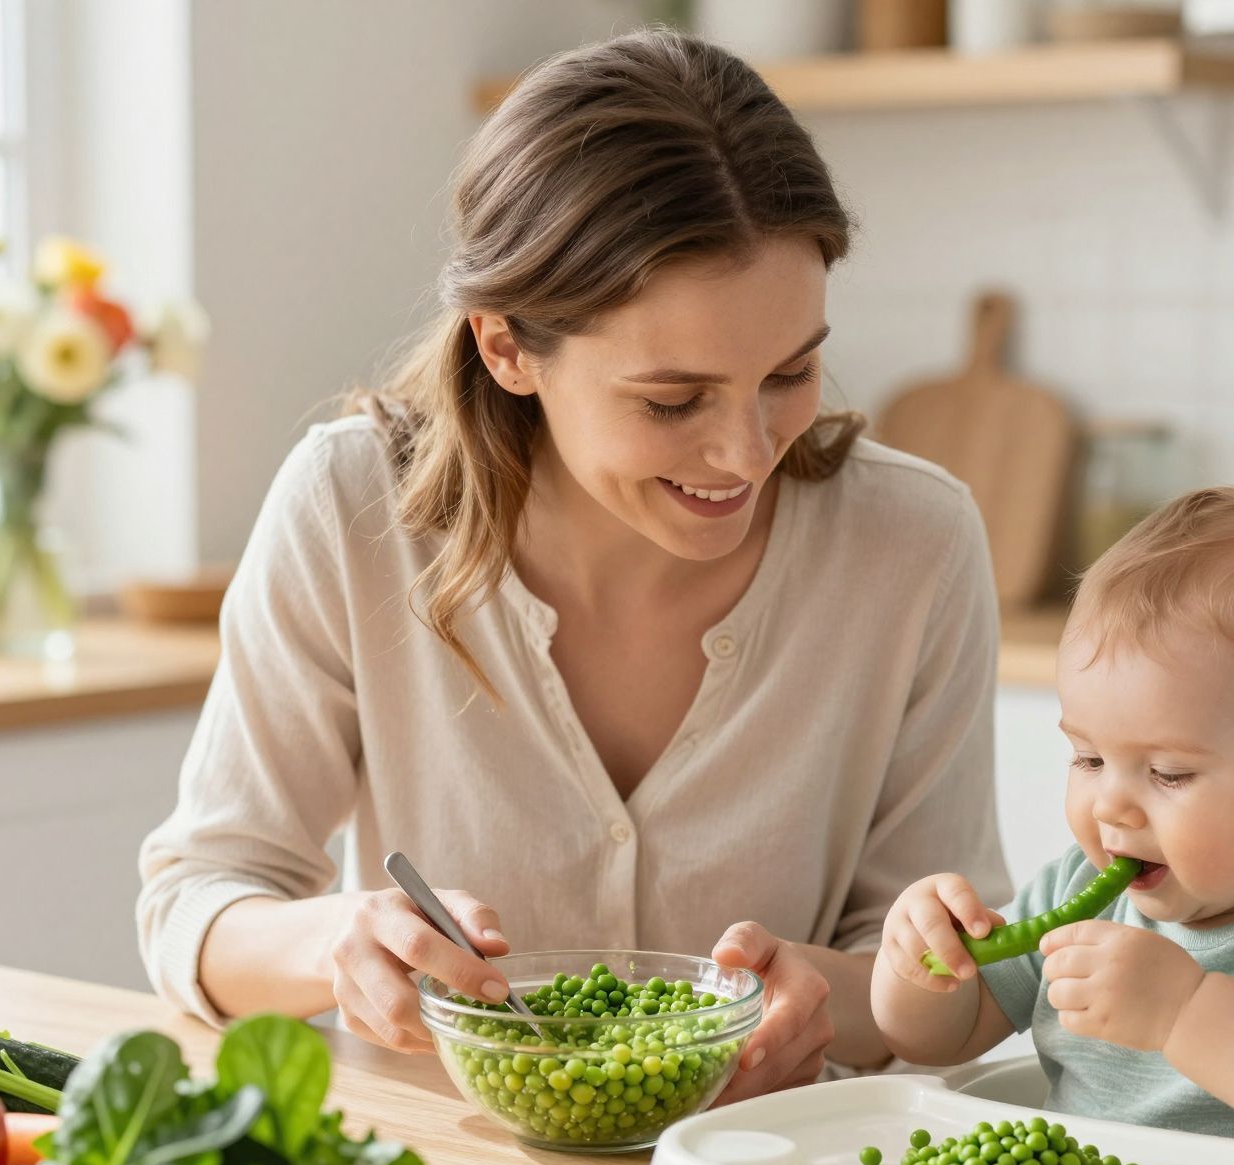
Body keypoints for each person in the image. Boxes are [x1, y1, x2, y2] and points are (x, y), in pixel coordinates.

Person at [137, 31, 1009, 1102]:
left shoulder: (912, 543)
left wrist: (829, 996)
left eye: (790, 373)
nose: (746, 453)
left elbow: (955, 980)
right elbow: (197, 900)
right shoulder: (351, 507)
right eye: (672, 401)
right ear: (506, 346)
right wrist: (340, 945)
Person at [870, 488, 1234, 1154]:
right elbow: (938, 1038)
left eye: (1169, 773)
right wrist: (915, 965)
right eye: (1090, 759)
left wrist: (1185, 1012)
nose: (1110, 806)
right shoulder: (1076, 893)